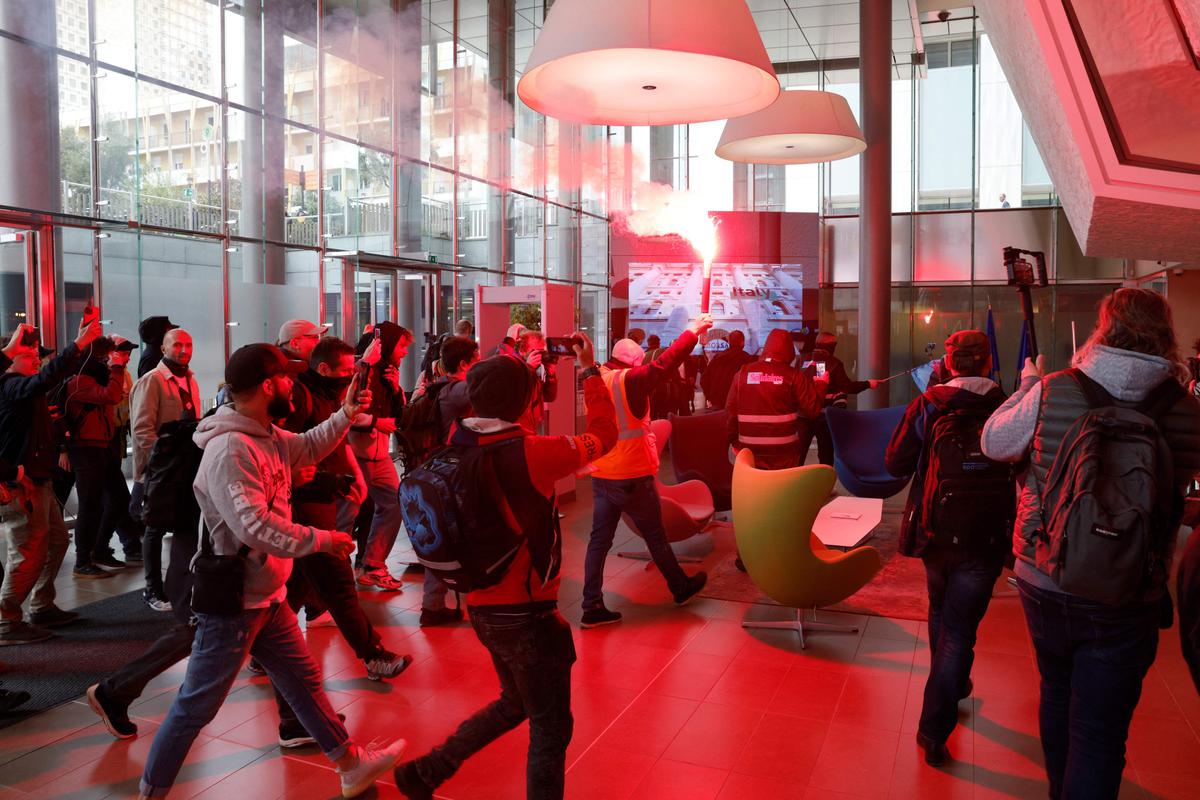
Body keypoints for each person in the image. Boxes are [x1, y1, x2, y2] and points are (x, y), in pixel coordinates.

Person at [137, 344, 405, 800]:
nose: (291, 386)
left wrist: (343, 413)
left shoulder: (265, 434)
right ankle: (152, 791)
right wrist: (323, 539)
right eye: (285, 378)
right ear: (267, 386)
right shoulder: (229, 449)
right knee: (196, 705)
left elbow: (307, 447)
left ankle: (350, 764)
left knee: (302, 683)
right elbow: (254, 526)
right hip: (236, 604)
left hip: (267, 593)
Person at [982, 288, 1200, 799]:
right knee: (1100, 736)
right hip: (1130, 591)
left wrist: (1027, 387)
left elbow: (994, 442)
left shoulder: (1056, 388)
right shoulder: (1188, 410)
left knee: (1057, 692)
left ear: (1105, 327)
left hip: (1044, 574)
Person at [392, 333, 617, 800]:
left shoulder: (458, 444)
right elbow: (606, 435)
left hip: (482, 607)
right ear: (528, 401)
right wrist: (590, 371)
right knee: (551, 729)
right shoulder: (534, 453)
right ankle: (429, 772)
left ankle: (428, 772)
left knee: (516, 703)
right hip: (527, 617)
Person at [885, 330, 1013, 766]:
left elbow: (895, 462)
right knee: (958, 628)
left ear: (950, 363)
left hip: (936, 532)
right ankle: (948, 695)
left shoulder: (930, 403)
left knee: (943, 613)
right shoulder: (1007, 404)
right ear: (987, 364)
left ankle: (935, 722)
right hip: (988, 535)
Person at [279, 336, 412, 685]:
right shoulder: (300, 399)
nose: (351, 375)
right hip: (308, 507)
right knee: (336, 583)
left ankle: (269, 650)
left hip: (320, 499)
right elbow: (293, 454)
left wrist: (346, 478)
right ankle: (373, 655)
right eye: (346, 370)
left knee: (297, 583)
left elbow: (333, 438)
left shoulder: (322, 394)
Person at [579, 315, 713, 628]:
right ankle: (680, 588)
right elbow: (664, 364)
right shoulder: (630, 380)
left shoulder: (595, 376)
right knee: (656, 535)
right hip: (632, 474)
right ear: (634, 361)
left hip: (603, 473)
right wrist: (691, 331)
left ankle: (591, 604)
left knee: (599, 541)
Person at [0, 317, 101, 645]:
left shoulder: (26, 388)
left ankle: (41, 606)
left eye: (35, 355)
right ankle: (7, 621)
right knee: (26, 552)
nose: (36, 358)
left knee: (55, 542)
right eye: (27, 354)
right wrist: (79, 346)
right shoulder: (12, 387)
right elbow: (46, 377)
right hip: (22, 484)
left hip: (38, 479)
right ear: (7, 357)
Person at [131, 327, 201, 612]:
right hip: (159, 470)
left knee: (184, 525)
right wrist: (163, 462)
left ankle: (180, 584)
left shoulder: (191, 379)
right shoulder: (153, 381)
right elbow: (141, 430)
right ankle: (152, 589)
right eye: (177, 345)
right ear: (163, 349)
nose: (184, 350)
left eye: (188, 344)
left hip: (185, 468)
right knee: (154, 528)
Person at [347, 322, 411, 590]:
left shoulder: (388, 373)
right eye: (402, 346)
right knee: (345, 515)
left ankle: (373, 564)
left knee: (393, 504)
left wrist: (396, 389)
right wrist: (375, 422)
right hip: (353, 453)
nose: (405, 352)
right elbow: (347, 410)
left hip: (378, 453)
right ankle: (330, 575)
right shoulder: (360, 370)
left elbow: (400, 413)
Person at [63, 336, 132, 577]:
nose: (115, 359)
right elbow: (111, 396)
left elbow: (115, 397)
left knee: (120, 498)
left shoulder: (96, 378)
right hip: (84, 448)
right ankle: (82, 561)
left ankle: (99, 549)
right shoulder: (80, 381)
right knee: (90, 505)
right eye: (109, 355)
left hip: (102, 445)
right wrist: (116, 368)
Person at [726, 328, 825, 471]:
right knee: (782, 489)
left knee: (755, 487)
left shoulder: (742, 373)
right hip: (785, 453)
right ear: (789, 351)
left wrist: (734, 442)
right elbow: (813, 410)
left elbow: (730, 411)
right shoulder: (794, 376)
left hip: (749, 451)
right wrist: (821, 384)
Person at [803, 332, 881, 466]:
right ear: (830, 346)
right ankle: (825, 484)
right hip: (823, 417)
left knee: (798, 454)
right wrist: (868, 383)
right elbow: (848, 387)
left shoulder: (801, 360)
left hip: (802, 417)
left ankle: (790, 481)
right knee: (826, 455)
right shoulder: (833, 364)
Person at [701, 330, 755, 410]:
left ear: (729, 342)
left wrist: (711, 396)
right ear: (742, 342)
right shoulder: (747, 360)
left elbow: (704, 379)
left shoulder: (717, 358)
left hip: (718, 402)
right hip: (739, 403)